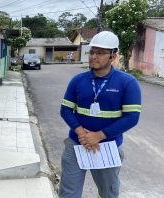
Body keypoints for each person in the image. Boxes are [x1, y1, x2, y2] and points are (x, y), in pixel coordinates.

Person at [59, 31, 142, 198]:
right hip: (77, 144)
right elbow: (65, 110)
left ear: (112, 56)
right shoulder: (78, 80)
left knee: (108, 193)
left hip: (108, 147)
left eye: (100, 53)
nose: (93, 56)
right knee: (68, 192)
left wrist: (98, 136)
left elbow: (131, 117)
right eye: (92, 51)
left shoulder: (127, 82)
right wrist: (82, 133)